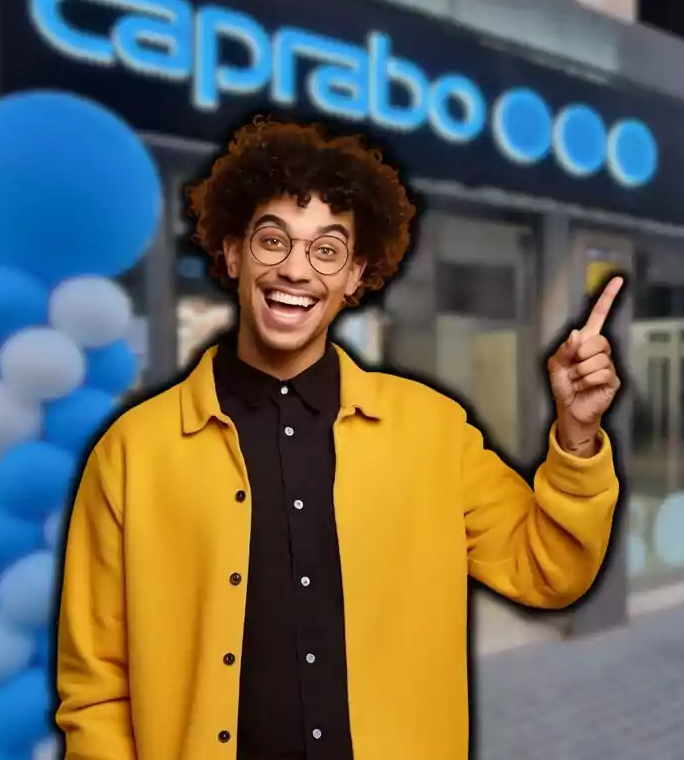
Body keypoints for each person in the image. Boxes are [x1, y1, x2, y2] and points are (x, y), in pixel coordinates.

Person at [55, 119, 623, 760]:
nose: (296, 270)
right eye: (274, 241)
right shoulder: (134, 451)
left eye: (327, 250)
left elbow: (549, 571)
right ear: (234, 253)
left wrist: (577, 437)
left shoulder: (432, 431)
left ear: (356, 275)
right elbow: (96, 686)